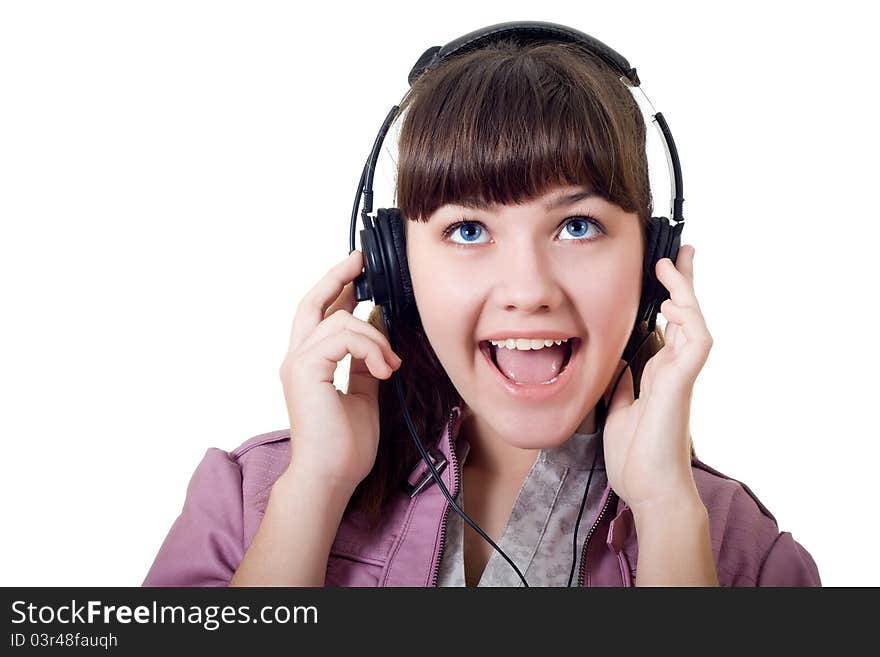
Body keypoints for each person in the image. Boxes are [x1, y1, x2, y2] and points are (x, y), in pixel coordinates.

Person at [142, 34, 821, 587]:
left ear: (654, 262)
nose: (528, 288)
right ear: (394, 266)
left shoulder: (746, 558)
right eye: (468, 230)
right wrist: (312, 492)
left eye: (577, 225)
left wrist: (669, 513)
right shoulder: (247, 503)